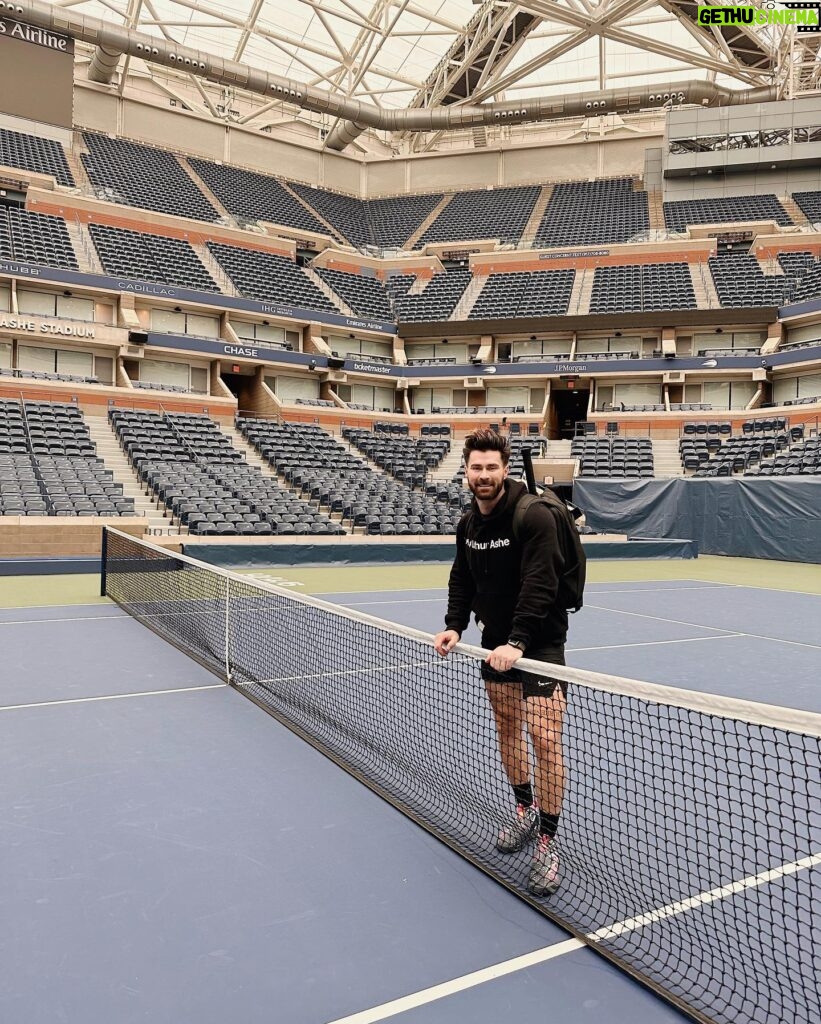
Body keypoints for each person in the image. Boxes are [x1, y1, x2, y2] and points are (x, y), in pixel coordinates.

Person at [433, 427, 570, 897]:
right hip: (495, 642)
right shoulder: (468, 524)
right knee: (507, 726)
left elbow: (541, 582)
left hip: (540, 643)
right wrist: (455, 624)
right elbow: (461, 576)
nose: (484, 475)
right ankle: (524, 812)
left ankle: (548, 841)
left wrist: (519, 641)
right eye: (477, 467)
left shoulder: (533, 517)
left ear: (505, 469)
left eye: (493, 467)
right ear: (466, 472)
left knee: (545, 739)